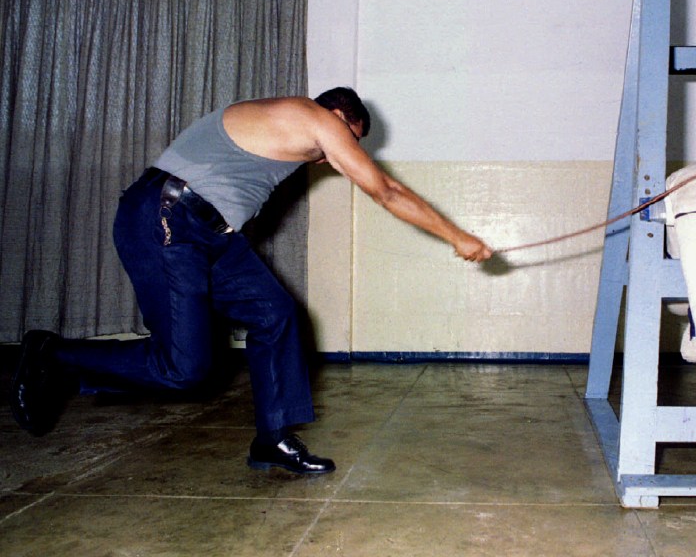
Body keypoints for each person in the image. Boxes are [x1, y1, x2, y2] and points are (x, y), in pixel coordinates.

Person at [10, 87, 493, 474]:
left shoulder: (278, 123)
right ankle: (50, 353)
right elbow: (385, 190)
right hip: (167, 218)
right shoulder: (315, 118)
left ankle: (273, 439)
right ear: (340, 117)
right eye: (353, 139)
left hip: (208, 232)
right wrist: (457, 236)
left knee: (276, 314)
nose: (335, 158)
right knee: (185, 369)